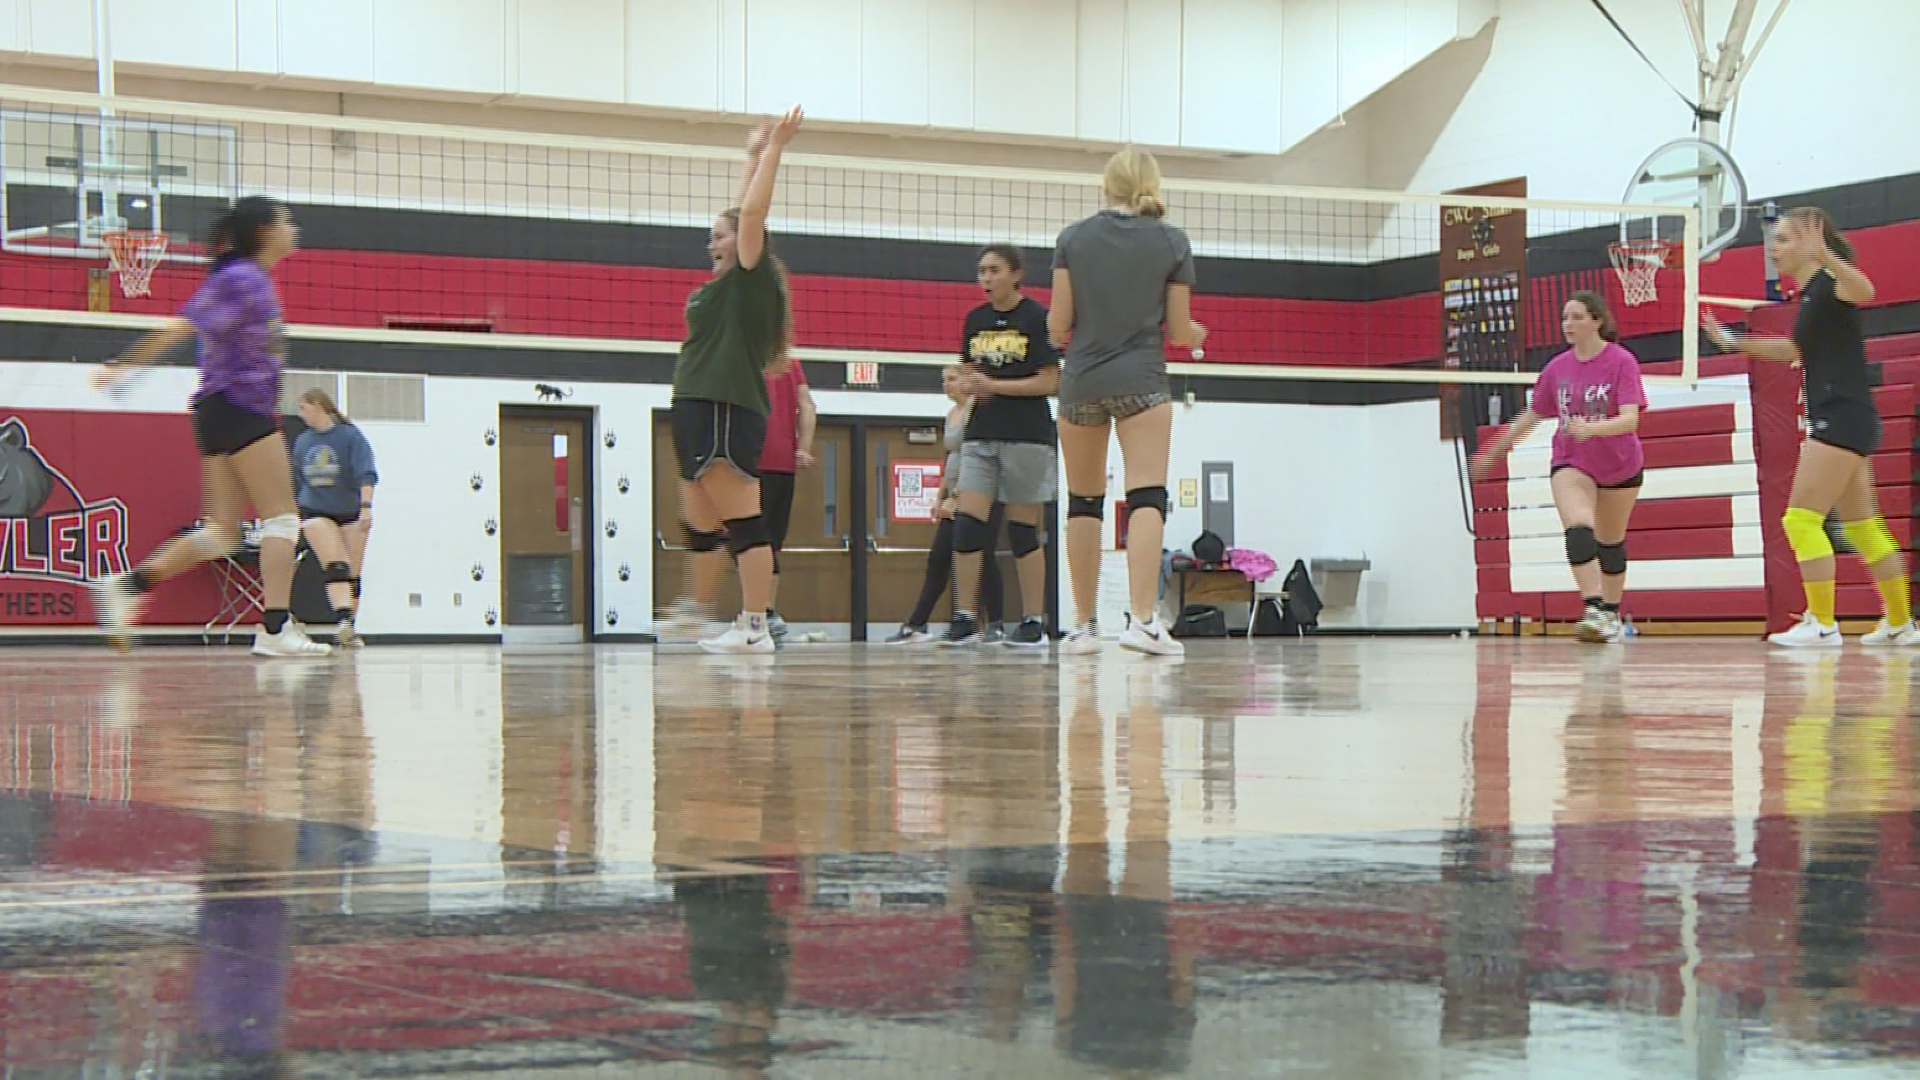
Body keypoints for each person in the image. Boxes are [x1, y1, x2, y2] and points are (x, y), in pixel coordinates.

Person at [91, 197, 332, 657]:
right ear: (264, 231)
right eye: (286, 220)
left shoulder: (251, 278)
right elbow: (187, 326)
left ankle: (129, 585)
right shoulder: (243, 278)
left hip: (224, 408)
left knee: (225, 533)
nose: (294, 227)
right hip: (240, 406)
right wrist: (129, 365)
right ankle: (276, 629)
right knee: (282, 518)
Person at [1704, 208, 1914, 647]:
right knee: (1860, 528)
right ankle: (1900, 623)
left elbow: (1865, 287)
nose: (1774, 249)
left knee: (1800, 520)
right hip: (1851, 417)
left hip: (1838, 415)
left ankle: (1822, 624)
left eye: (1781, 240)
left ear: (1809, 241)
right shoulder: (1812, 295)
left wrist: (1827, 256)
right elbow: (1792, 348)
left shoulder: (1827, 283)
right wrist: (1731, 341)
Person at [654, 106, 804, 655]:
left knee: (743, 517)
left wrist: (776, 152)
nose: (711, 242)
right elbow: (743, 210)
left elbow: (753, 213)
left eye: (719, 235)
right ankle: (698, 609)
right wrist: (751, 154)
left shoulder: (747, 276)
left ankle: (755, 624)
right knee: (697, 508)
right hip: (699, 400)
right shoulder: (726, 286)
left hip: (723, 402)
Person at [1049, 148, 1206, 657]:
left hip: (1082, 380)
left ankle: (1083, 626)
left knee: (1083, 503)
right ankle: (1141, 621)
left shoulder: (1072, 239)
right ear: (1153, 185)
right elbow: (1180, 331)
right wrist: (1196, 332)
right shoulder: (1172, 241)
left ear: (1106, 185)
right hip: (1141, 378)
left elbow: (1057, 325)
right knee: (1146, 498)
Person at [1472, 292, 1646, 643]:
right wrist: (1494, 451)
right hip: (1572, 460)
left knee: (1610, 542)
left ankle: (1611, 614)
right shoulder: (1557, 368)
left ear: (1597, 321)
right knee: (1578, 528)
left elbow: (1630, 420)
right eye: (1565, 317)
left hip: (1619, 463)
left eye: (1577, 317)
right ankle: (1594, 606)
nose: (1568, 324)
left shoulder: (1621, 362)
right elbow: (1532, 415)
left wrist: (1592, 428)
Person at [945, 245, 1059, 649]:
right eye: (981, 271)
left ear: (1015, 274)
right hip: (981, 434)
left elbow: (1050, 382)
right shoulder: (974, 320)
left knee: (1023, 529)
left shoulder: (1037, 318)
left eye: (994, 270)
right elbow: (969, 373)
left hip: (1027, 435)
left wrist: (994, 386)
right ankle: (963, 617)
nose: (986, 278)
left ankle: (1032, 621)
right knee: (967, 524)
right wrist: (961, 383)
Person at [885, 364, 1006, 644]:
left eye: (952, 379)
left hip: (982, 493)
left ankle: (995, 623)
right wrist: (941, 495)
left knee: (982, 556)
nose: (946, 385)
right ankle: (917, 624)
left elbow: (982, 458)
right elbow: (952, 457)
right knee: (939, 559)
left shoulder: (980, 409)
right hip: (954, 496)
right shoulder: (951, 414)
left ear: (968, 379)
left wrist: (961, 497)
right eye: (943, 380)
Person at [292, 388, 378, 648]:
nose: (301, 415)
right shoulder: (302, 441)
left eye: (304, 408)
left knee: (352, 572)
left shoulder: (350, 437)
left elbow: (366, 472)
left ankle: (348, 627)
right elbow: (298, 477)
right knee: (336, 564)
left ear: (318, 406)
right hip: (316, 510)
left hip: (350, 510)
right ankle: (341, 618)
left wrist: (366, 506)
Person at [758, 357, 817, 642]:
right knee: (770, 542)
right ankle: (766, 612)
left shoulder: (741, 358)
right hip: (783, 462)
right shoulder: (791, 364)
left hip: (750, 460)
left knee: (749, 540)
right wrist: (804, 448)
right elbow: (807, 406)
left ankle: (759, 614)